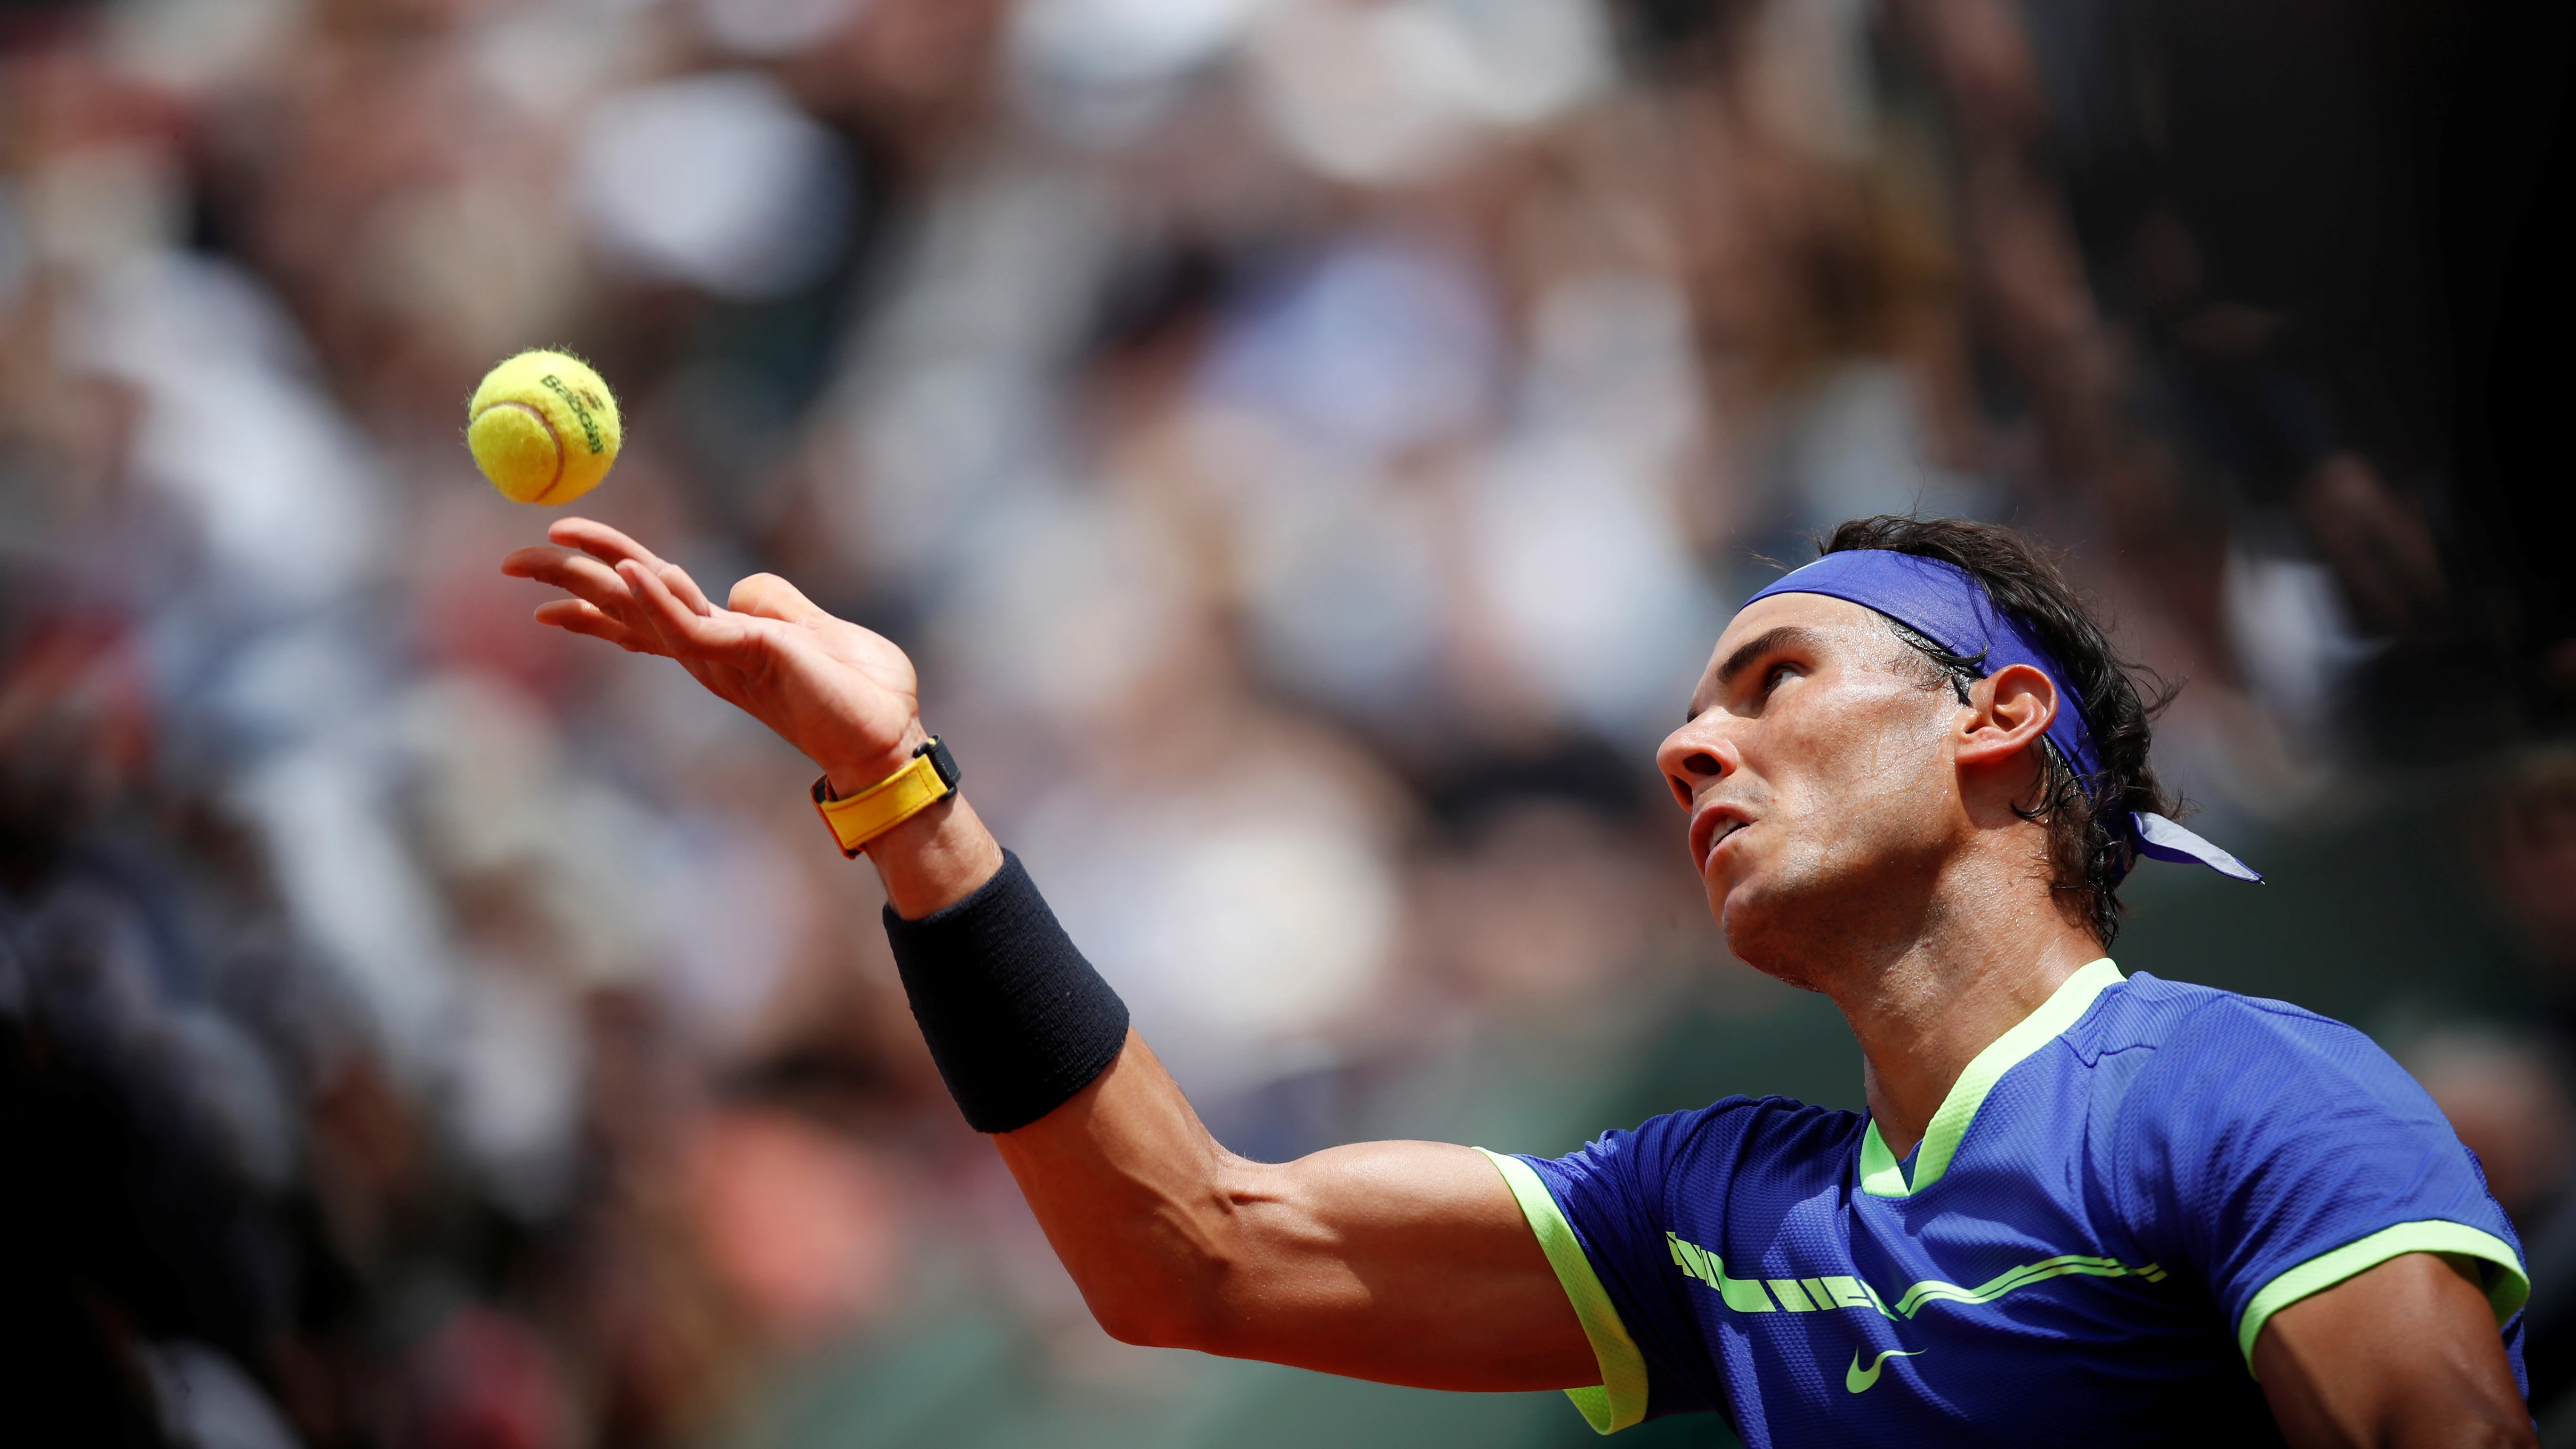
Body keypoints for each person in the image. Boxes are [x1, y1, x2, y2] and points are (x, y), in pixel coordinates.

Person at [505, 513, 2533, 1447]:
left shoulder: (2253, 1093)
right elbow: (1187, 1251)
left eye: (1771, 682)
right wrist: (894, 789)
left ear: (1994, 725)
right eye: (1687, 707)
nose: (1686, 747)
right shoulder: (1714, 1209)